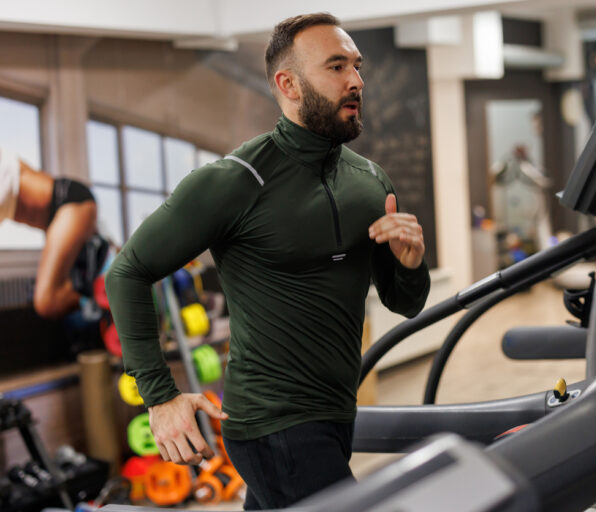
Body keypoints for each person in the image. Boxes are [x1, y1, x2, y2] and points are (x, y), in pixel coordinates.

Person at [105, 12, 431, 510]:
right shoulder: (234, 181)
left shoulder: (370, 181)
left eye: (357, 67)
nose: (356, 81)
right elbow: (127, 272)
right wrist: (159, 395)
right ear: (289, 83)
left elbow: (405, 303)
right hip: (271, 421)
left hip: (337, 411)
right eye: (337, 67)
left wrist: (410, 264)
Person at [0, 148, 102, 318]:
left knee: (46, 301)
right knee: (54, 296)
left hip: (67, 200)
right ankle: (97, 280)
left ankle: (102, 296)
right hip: (54, 220)